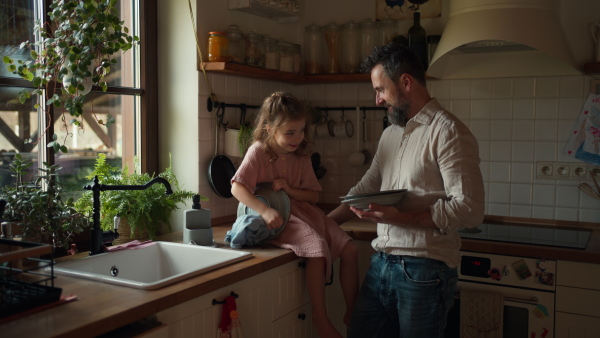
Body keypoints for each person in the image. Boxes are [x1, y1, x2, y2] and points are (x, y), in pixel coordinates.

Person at [328, 42, 485, 337]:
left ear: (406, 82)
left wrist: (398, 217)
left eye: (380, 90)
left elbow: (470, 209)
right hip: (382, 264)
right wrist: (323, 225)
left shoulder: (448, 131)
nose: (377, 100)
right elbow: (365, 187)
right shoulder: (391, 133)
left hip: (426, 270)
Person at [231, 91, 359, 338]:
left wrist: (291, 190)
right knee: (317, 246)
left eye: (301, 131)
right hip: (278, 218)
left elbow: (314, 197)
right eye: (290, 132)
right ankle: (321, 320)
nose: (298, 138)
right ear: (269, 129)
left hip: (306, 213)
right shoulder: (258, 151)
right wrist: (265, 210)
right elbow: (237, 187)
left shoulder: (302, 156)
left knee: (351, 249)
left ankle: (352, 312)